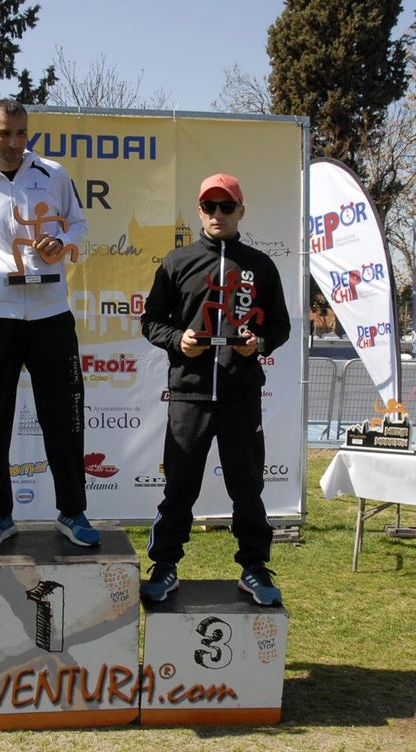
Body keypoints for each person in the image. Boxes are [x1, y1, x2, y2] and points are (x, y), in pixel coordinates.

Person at [0, 98, 100, 549]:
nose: (13, 142)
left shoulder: (54, 173)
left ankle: (72, 511)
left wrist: (62, 241)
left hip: (50, 313)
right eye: (4, 133)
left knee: (64, 418)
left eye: (21, 133)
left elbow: (80, 225)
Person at [139, 174, 292, 606]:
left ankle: (254, 568)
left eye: (227, 207)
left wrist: (256, 344)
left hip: (240, 394)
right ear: (199, 210)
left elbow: (279, 326)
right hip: (188, 393)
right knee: (179, 488)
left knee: (246, 488)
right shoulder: (177, 261)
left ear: (241, 210)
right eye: (210, 207)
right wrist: (177, 340)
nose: (218, 214)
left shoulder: (260, 265)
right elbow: (151, 321)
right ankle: (165, 566)